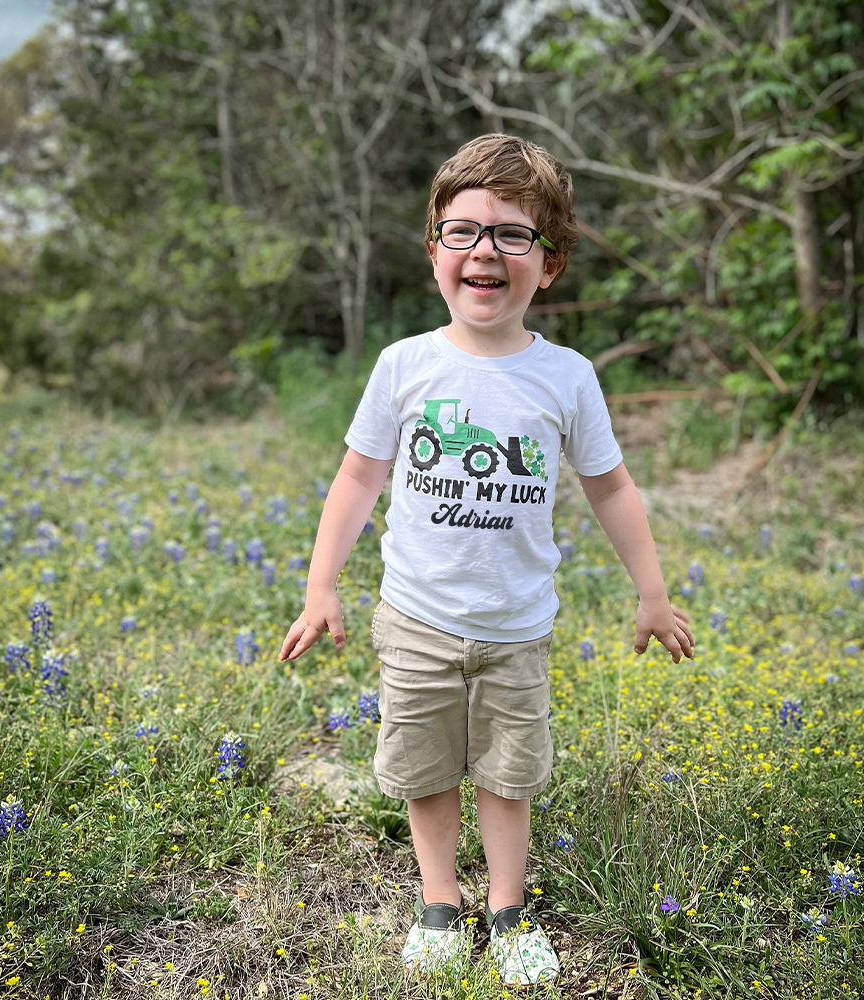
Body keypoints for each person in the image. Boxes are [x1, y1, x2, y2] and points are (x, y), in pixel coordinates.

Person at [279, 133, 694, 986]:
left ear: (551, 262)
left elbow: (611, 489)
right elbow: (359, 476)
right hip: (417, 617)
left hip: (516, 627)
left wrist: (651, 593)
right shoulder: (405, 366)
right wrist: (322, 585)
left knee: (510, 778)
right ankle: (440, 899)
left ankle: (507, 910)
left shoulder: (567, 377)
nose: (486, 252)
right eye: (463, 232)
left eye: (514, 235)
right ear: (435, 251)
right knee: (425, 769)